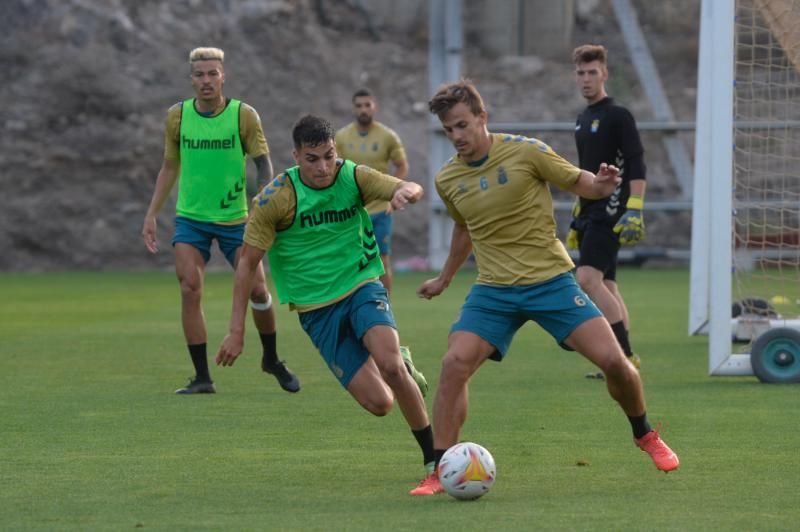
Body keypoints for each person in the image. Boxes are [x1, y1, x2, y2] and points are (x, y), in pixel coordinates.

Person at [409, 80, 679, 495]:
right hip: (494, 290)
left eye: (463, 125)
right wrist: (444, 278)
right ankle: (441, 466)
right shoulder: (448, 179)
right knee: (453, 365)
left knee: (616, 363)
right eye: (449, 129)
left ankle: (644, 434)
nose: (457, 136)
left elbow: (579, 182)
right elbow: (464, 228)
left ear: (483, 117)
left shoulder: (526, 151)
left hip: (550, 282)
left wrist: (603, 185)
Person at [215, 114, 434, 493]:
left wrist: (405, 193)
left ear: (336, 151)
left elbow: (411, 185)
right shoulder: (275, 198)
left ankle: (436, 461)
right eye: (312, 158)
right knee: (381, 403)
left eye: (329, 156)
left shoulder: (352, 177)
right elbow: (247, 264)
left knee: (391, 366)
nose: (323, 167)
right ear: (296, 155)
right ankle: (401, 364)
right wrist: (236, 330)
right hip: (317, 312)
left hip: (363, 284)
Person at [141, 47, 299, 395]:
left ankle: (271, 359)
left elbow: (263, 163)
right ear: (191, 78)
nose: (206, 80)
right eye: (199, 75)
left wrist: (263, 199)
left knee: (258, 289)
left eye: (212, 73)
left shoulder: (243, 115)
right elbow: (169, 166)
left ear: (223, 75)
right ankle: (202, 377)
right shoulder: (177, 117)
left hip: (236, 218)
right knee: (189, 288)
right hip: (191, 218)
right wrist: (152, 213)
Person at [567, 44, 647, 378]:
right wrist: (577, 213)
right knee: (608, 285)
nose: (586, 79)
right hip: (590, 210)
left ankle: (623, 356)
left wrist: (635, 208)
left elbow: (636, 161)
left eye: (592, 72)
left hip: (612, 210)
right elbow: (585, 171)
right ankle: (624, 359)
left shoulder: (618, 115)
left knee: (587, 278)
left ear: (605, 74)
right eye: (581, 73)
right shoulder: (583, 119)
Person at [335, 88, 409, 295]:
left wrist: (394, 192)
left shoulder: (387, 136)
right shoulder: (341, 137)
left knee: (382, 258)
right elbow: (335, 170)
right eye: (359, 105)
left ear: (374, 106)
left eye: (367, 105)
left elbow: (402, 166)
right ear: (353, 108)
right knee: (350, 259)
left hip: (380, 210)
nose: (363, 109)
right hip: (352, 211)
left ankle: (385, 306)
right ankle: (348, 302)